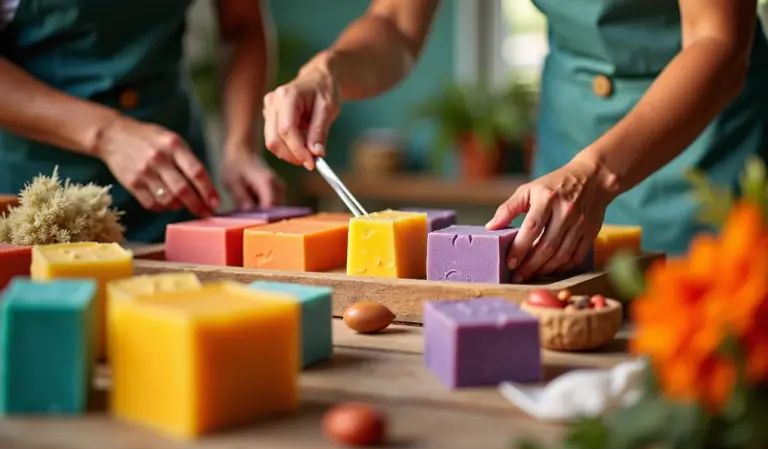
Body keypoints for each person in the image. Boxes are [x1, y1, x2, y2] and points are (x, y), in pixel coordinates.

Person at [262, 0, 768, 282]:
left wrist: (594, 173)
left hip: (707, 142)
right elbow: (395, 22)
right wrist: (326, 69)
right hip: (568, 139)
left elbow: (718, 41)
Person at [0, 0, 285, 243]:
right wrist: (108, 134)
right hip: (36, 193)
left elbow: (242, 27)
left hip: (175, 191)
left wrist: (240, 145)